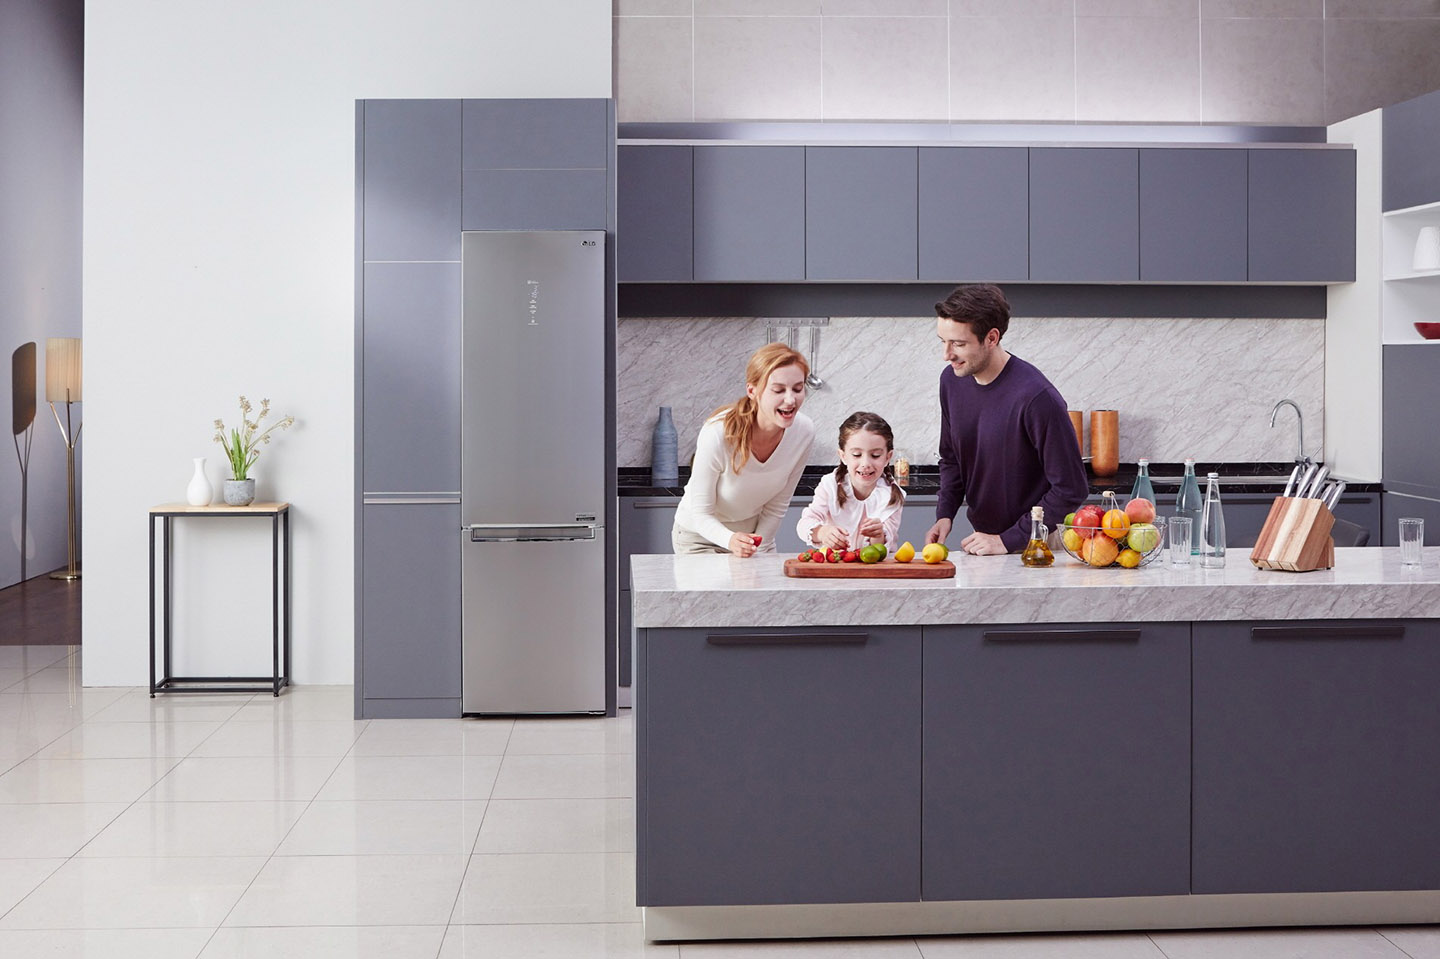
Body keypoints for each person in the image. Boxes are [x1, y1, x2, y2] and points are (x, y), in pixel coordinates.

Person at [924, 284, 1088, 555]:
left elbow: (1070, 488)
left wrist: (1007, 540)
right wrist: (945, 513)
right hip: (985, 540)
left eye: (959, 344)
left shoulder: (1037, 398)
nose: (947, 354)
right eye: (943, 341)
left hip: (1040, 544)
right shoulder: (952, 381)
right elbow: (952, 458)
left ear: (991, 337)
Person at [673, 342, 816, 557]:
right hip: (700, 538)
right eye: (778, 390)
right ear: (752, 390)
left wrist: (758, 547)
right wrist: (730, 540)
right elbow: (701, 513)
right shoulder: (718, 433)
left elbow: (777, 506)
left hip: (754, 539)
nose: (790, 400)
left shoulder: (803, 432)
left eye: (797, 389)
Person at [797, 411, 905, 553]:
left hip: (875, 569)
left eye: (875, 455)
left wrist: (878, 535)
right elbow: (804, 524)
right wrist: (822, 532)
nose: (865, 463)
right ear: (843, 456)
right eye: (856, 455)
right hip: (836, 566)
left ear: (887, 457)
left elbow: (884, 545)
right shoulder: (830, 485)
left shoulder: (892, 494)